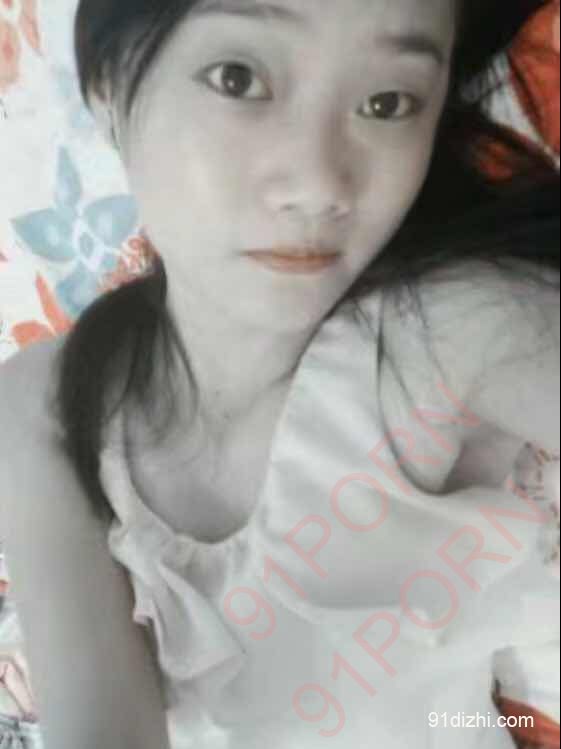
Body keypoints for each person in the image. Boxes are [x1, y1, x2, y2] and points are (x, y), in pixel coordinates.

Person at [0, 0, 559, 747]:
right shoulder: (45, 403)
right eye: (238, 78)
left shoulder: (445, 329)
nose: (321, 182)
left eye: (387, 103)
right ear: (108, 90)